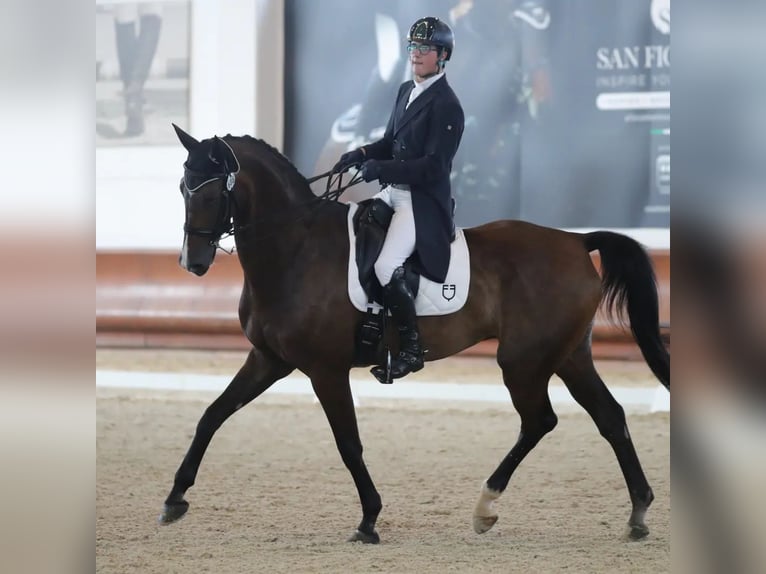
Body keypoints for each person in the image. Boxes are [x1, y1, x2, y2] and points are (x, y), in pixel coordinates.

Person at [333, 16, 465, 383]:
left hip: (419, 203)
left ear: (442, 56)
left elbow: (434, 168)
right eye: (413, 48)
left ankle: (410, 349)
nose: (417, 55)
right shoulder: (406, 90)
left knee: (385, 265)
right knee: (359, 239)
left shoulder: (447, 105)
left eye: (425, 49)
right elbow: (390, 142)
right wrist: (360, 153)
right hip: (393, 192)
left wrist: (383, 170)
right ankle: (372, 319)